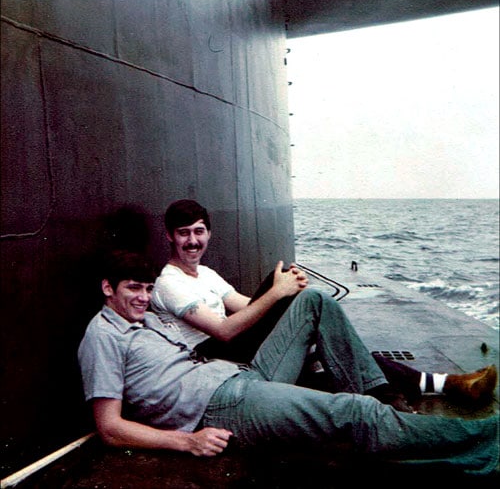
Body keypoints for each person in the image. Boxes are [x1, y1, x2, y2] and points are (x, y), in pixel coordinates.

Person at [78, 250, 498, 475]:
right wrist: (187, 441)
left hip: (239, 378)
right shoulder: (102, 336)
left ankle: (381, 398)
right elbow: (109, 427)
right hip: (221, 406)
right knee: (354, 412)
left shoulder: (147, 317)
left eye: (148, 288)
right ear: (106, 288)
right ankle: (481, 440)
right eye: (133, 288)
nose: (143, 297)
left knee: (314, 299)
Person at [150, 199, 498, 409]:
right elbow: (225, 332)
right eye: (183, 233)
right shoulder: (169, 282)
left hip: (240, 349)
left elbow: (244, 307)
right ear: (169, 236)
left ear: (209, 233)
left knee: (349, 357)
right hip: (217, 361)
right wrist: (279, 292)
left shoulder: (207, 274)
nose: (192, 241)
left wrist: (288, 290)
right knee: (303, 297)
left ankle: (447, 384)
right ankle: (383, 397)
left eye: (198, 232)